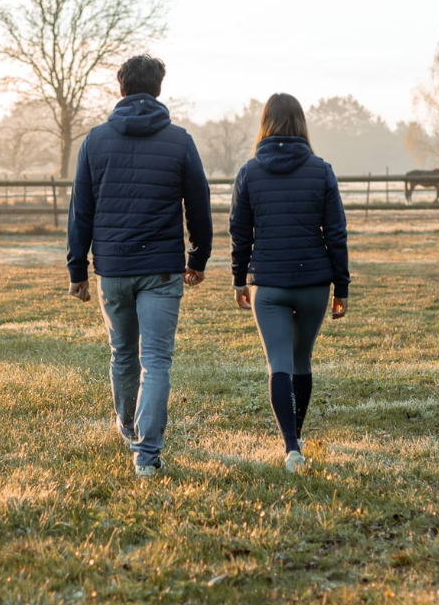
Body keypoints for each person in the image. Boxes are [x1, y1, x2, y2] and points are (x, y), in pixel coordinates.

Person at [67, 55, 213, 478]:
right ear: (159, 89)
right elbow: (198, 206)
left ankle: (128, 426)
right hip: (163, 269)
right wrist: (198, 258)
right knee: (158, 361)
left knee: (123, 354)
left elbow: (81, 212)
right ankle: (146, 456)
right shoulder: (180, 141)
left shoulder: (94, 141)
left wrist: (78, 270)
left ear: (121, 88)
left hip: (113, 268)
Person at [229, 93, 349, 473]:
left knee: (278, 361)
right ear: (301, 123)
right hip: (315, 282)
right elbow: (336, 233)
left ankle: (291, 447)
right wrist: (341, 287)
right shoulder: (321, 169)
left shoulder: (249, 172)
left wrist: (238, 279)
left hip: (269, 284)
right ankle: (294, 439)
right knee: (301, 359)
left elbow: (239, 233)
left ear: (265, 123)